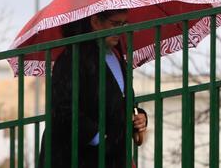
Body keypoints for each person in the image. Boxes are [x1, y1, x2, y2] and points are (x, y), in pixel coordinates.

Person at [39, 9, 148, 168]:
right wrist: (100, 138)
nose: (120, 29)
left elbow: (119, 99)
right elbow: (62, 109)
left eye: (124, 24)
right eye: (115, 24)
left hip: (109, 156)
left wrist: (138, 117)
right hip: (75, 157)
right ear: (95, 22)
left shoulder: (116, 56)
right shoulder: (72, 57)